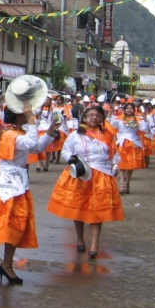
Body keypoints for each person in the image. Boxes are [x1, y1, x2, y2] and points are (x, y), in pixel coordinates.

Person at [0, 77, 57, 285]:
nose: (30, 115)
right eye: (26, 114)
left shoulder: (15, 132)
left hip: (17, 183)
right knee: (3, 222)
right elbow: (31, 142)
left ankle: (4, 264)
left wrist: (50, 131)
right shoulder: (8, 133)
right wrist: (33, 121)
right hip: (7, 185)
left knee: (13, 224)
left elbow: (34, 148)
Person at [47, 105, 124, 258]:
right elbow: (66, 151)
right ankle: (80, 239)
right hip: (81, 175)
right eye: (91, 115)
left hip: (101, 176)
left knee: (97, 211)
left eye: (97, 115)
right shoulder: (76, 135)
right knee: (79, 208)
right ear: (84, 118)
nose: (94, 117)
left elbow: (114, 153)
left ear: (101, 119)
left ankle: (94, 243)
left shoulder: (107, 135)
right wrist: (72, 160)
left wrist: (114, 166)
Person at [109, 102, 147, 194]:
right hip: (122, 143)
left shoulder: (137, 120)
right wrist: (111, 111)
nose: (129, 110)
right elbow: (111, 123)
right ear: (124, 110)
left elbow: (144, 128)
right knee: (121, 164)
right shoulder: (120, 119)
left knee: (130, 166)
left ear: (134, 110)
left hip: (133, 143)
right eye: (127, 108)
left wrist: (144, 117)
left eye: (131, 108)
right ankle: (122, 185)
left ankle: (127, 184)